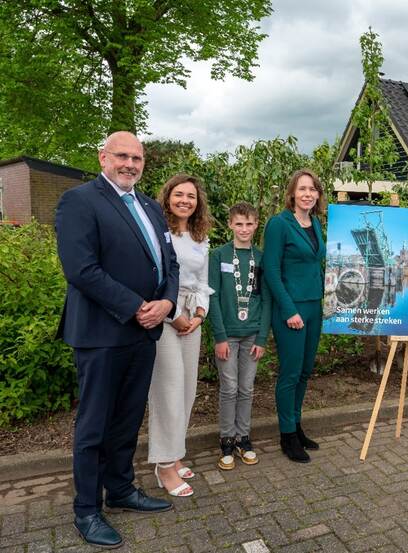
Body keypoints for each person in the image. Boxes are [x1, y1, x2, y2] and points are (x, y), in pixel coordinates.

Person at [55, 131, 178, 548]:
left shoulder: (149, 206)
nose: (130, 164)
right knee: (94, 425)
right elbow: (81, 268)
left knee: (127, 418)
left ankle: (121, 490)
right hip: (103, 332)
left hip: (144, 332)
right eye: (122, 156)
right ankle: (87, 510)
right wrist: (137, 306)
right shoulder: (80, 201)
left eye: (137, 158)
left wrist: (166, 302)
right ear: (103, 157)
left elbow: (170, 262)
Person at [146, 174, 213, 497]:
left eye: (191, 196)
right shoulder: (158, 232)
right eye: (179, 194)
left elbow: (203, 280)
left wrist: (200, 314)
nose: (185, 200)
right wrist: (174, 316)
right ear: (167, 197)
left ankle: (175, 454)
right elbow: (152, 276)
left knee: (187, 389)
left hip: (192, 316)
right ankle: (163, 466)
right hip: (165, 316)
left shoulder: (201, 236)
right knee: (167, 391)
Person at [263, 169, 326, 463]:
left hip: (315, 307)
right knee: (289, 374)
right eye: (302, 189)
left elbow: (316, 264)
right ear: (292, 193)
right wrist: (289, 310)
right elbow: (271, 271)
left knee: (305, 371)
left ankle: (297, 425)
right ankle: (287, 436)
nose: (308, 194)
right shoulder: (279, 224)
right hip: (292, 309)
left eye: (312, 189)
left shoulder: (314, 222)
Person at [208, 201, 271, 470]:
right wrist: (219, 336)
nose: (244, 229)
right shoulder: (218, 255)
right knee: (229, 388)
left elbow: (267, 301)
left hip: (252, 335)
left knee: (246, 388)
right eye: (239, 224)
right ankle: (226, 439)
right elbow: (212, 298)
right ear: (230, 224)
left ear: (256, 225)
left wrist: (262, 339)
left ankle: (244, 437)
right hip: (228, 337)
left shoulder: (261, 258)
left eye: (249, 224)